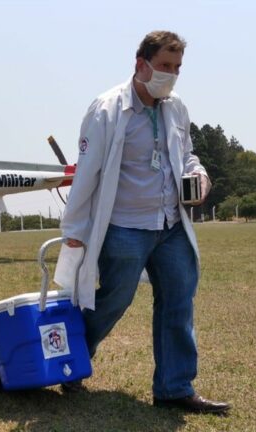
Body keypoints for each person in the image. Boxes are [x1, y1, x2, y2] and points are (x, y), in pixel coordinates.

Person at [56, 31, 231, 415]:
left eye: (177, 68)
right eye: (165, 66)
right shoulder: (106, 110)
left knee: (178, 302)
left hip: (170, 224)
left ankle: (174, 387)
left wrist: (198, 175)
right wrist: (74, 233)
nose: (171, 74)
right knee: (113, 300)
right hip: (124, 227)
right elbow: (86, 174)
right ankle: (72, 363)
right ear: (141, 64)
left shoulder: (176, 107)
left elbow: (185, 156)